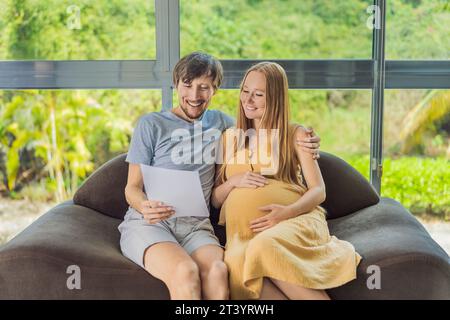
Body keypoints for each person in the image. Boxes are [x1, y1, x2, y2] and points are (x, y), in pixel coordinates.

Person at [118, 52, 322, 300]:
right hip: (151, 222)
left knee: (217, 271)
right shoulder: (151, 124)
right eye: (187, 85)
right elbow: (132, 188)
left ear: (215, 90)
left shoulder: (224, 126)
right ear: (175, 83)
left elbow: (265, 128)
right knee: (185, 271)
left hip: (196, 226)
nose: (194, 96)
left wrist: (308, 141)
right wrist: (144, 206)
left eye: (204, 87)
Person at [211, 62, 362, 300]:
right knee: (240, 267)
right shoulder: (230, 138)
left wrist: (285, 213)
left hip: (294, 220)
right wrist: (233, 182)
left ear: (275, 97)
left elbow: (318, 190)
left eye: (258, 94)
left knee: (264, 247)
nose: (248, 100)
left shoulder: (295, 134)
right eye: (245, 91)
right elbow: (216, 200)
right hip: (242, 234)